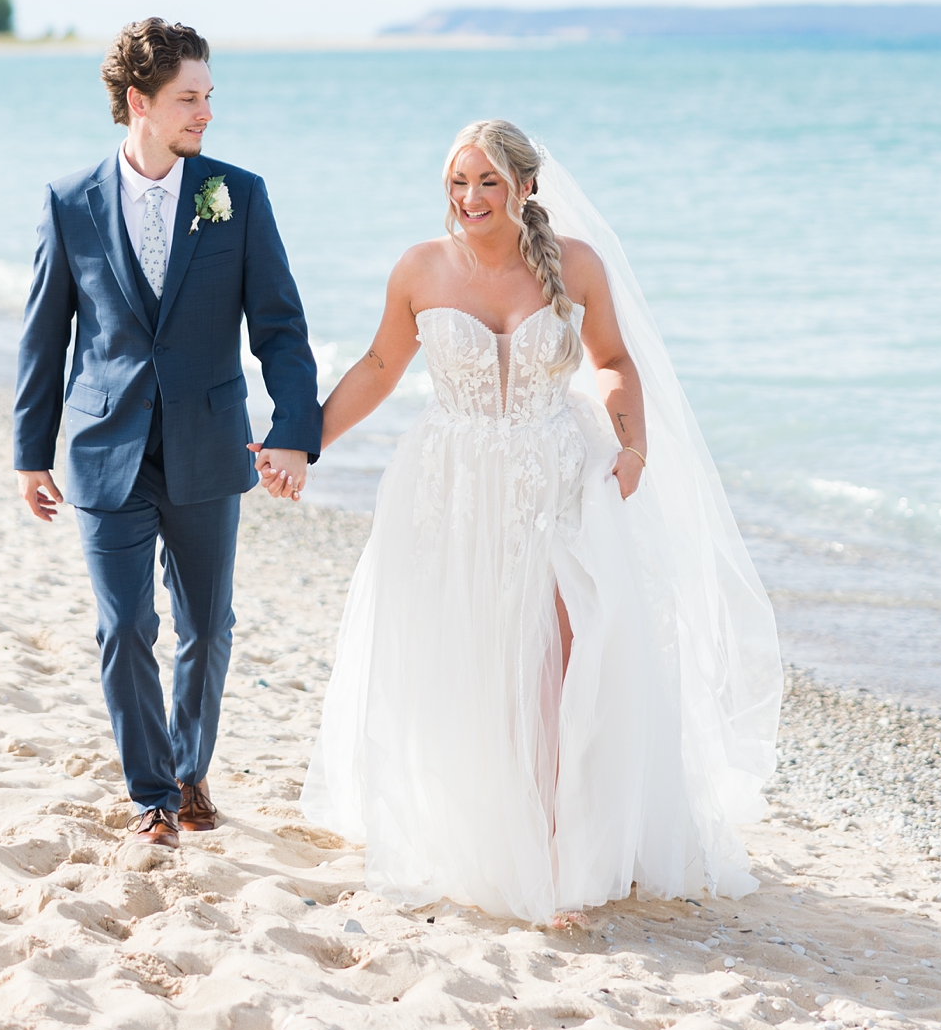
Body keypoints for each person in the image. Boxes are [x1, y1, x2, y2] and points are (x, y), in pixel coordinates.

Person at [301, 119, 782, 925]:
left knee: (561, 658)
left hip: (555, 482)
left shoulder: (577, 264)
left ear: (525, 188)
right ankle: (483, 824)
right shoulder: (420, 268)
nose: (470, 197)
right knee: (470, 657)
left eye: (488, 181)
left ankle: (560, 845)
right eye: (458, 181)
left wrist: (632, 444)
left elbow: (614, 362)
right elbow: (381, 366)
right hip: (449, 487)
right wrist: (301, 445)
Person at [14, 17, 321, 847]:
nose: (206, 113)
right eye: (190, 98)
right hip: (104, 449)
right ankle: (151, 797)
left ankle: (189, 771)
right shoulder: (68, 201)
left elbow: (282, 331)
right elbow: (46, 335)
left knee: (206, 629)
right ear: (140, 103)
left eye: (210, 96)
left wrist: (294, 430)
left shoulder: (237, 195)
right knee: (124, 628)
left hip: (210, 446)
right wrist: (29, 455)